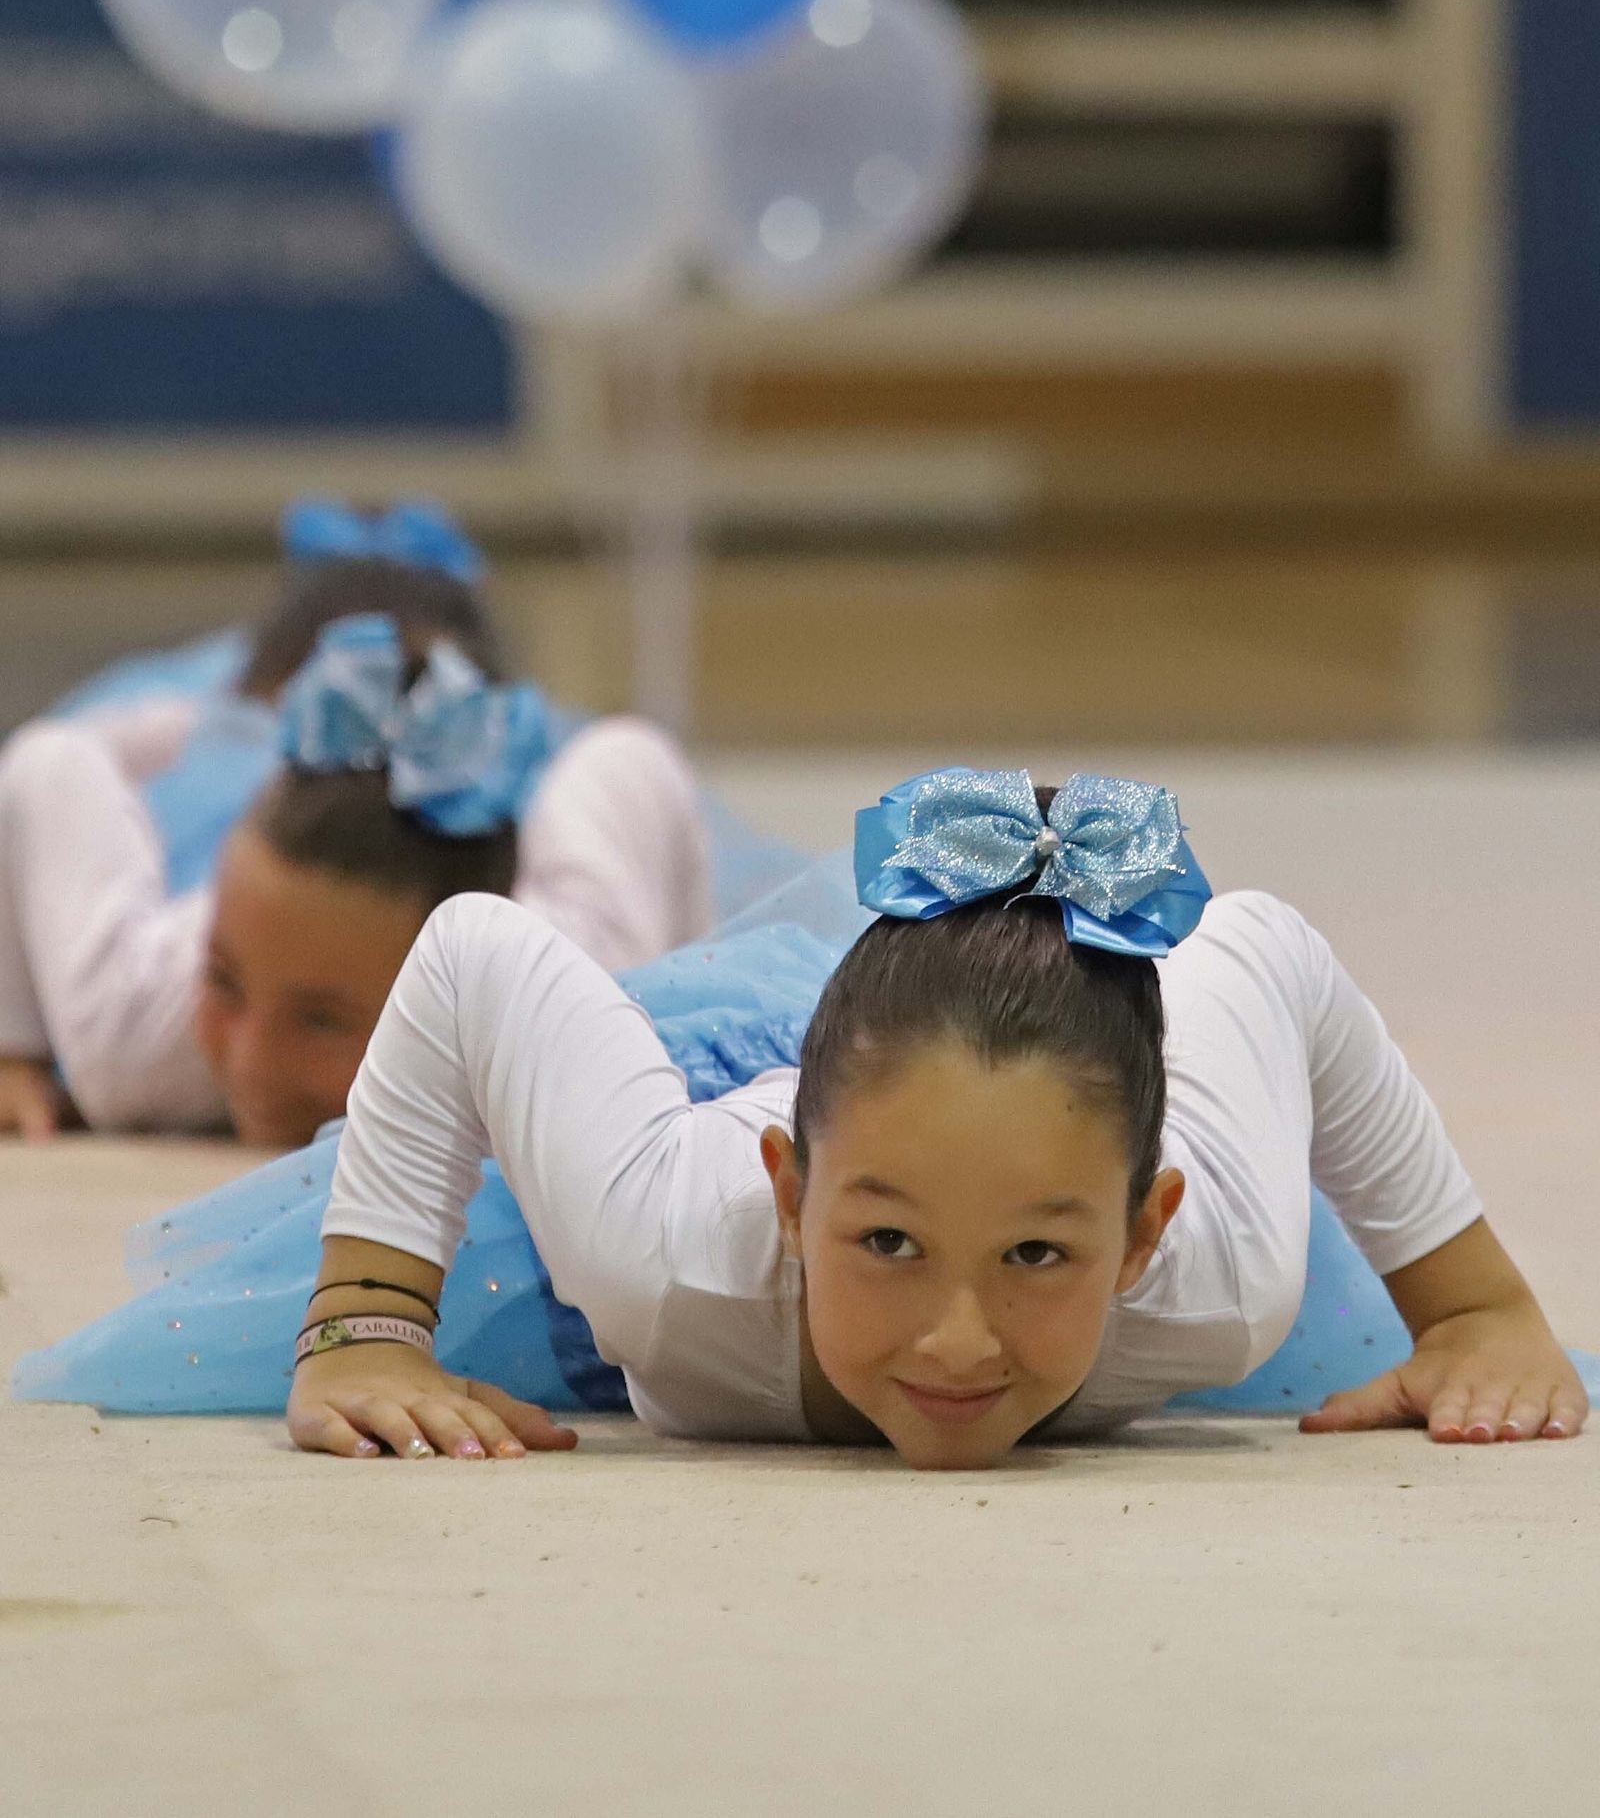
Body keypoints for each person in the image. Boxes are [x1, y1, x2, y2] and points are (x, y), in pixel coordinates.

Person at [285, 765, 1588, 1469]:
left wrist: (1473, 1305)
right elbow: (472, 955)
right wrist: (365, 1323)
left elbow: (1262, 944)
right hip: (777, 1083)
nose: (957, 1341)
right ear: (790, 1194)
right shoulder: (663, 1249)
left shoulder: (1225, 1275)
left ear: (1144, 1235)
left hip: (1005, 1093)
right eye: (889, 1243)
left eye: (1036, 1253)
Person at [0, 583, 709, 1148]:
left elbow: (633, 760)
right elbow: (48, 762)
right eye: (224, 981)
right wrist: (16, 1043)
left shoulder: (577, 1008)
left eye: (321, 1020)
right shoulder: (134, 1037)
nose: (250, 1065)